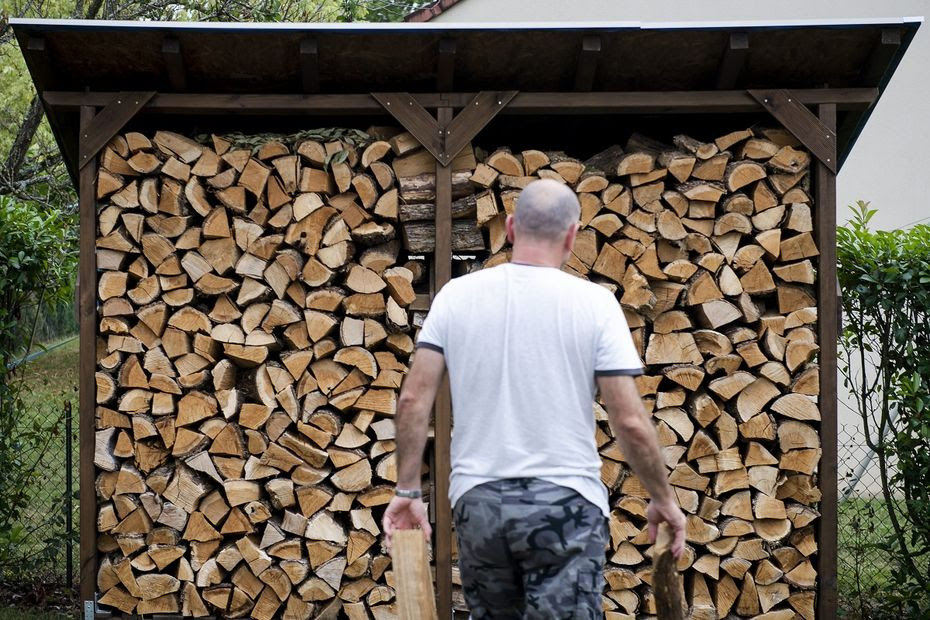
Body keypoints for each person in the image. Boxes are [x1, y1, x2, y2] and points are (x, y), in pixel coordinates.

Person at [382, 179, 686, 618]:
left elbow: (413, 399)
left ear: (509, 227)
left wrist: (409, 488)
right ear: (572, 235)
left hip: (479, 503)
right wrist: (662, 497)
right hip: (564, 504)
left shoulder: (456, 297)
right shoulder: (595, 304)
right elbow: (631, 421)